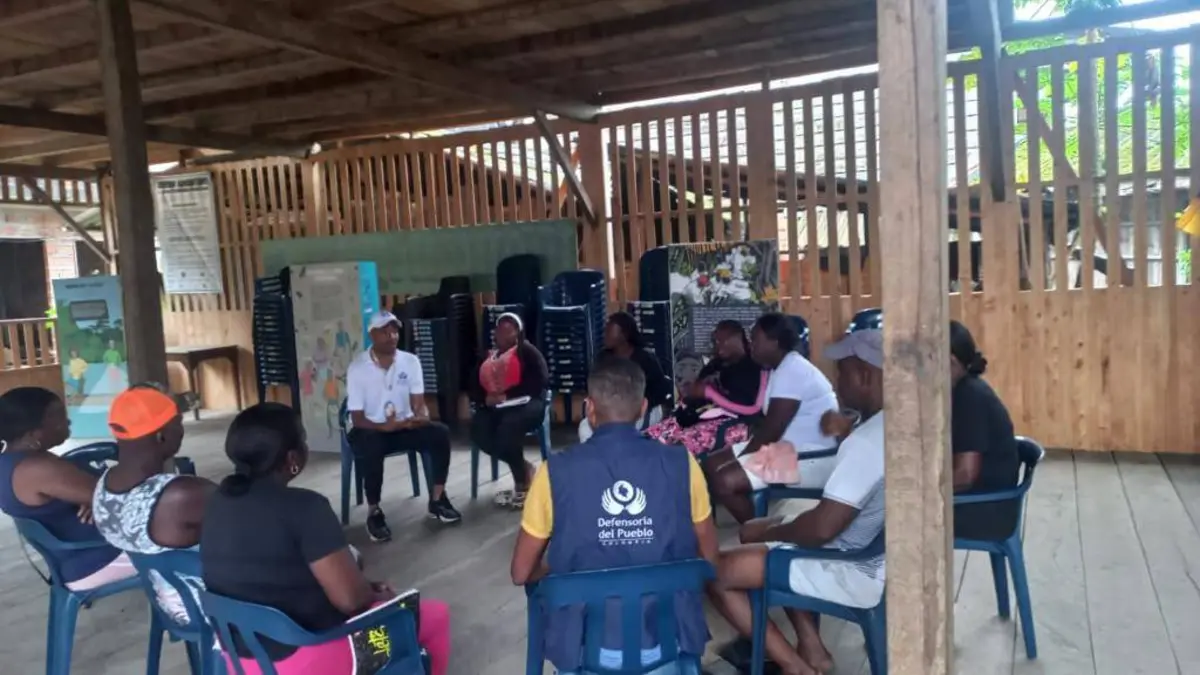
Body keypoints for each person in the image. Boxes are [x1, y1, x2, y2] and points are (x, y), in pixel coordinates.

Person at [202, 403, 451, 675]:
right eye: (303, 438)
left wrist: (363, 587)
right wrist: (374, 594)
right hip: (309, 658)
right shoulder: (305, 507)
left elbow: (273, 574)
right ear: (292, 458)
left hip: (241, 660)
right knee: (432, 616)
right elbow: (351, 601)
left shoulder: (216, 501)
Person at [511, 356, 718, 675]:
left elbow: (521, 572)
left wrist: (557, 566)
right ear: (643, 408)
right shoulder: (683, 464)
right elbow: (710, 559)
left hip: (584, 653)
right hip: (667, 646)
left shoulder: (554, 472)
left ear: (589, 408)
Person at [708, 329, 886, 675]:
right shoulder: (889, 427)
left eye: (842, 374)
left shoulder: (867, 444)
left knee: (714, 573)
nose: (837, 384)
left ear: (865, 376)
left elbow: (820, 529)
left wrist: (776, 534)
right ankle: (812, 647)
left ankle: (795, 667)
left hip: (850, 566)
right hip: (872, 551)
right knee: (757, 530)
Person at [92, 384, 214, 622]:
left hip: (170, 608)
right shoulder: (182, 495)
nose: (182, 431)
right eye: (179, 423)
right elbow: (251, 522)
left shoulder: (103, 487)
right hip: (218, 612)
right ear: (161, 435)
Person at [703, 313, 840, 523]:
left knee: (725, 481)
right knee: (712, 463)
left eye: (756, 340)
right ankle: (758, 522)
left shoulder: (793, 371)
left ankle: (760, 531)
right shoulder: (782, 367)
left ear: (774, 342)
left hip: (808, 458)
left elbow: (772, 431)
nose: (751, 345)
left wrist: (742, 458)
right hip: (788, 448)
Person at [0, 387, 136, 591]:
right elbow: (120, 497)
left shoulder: (11, 461)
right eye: (59, 416)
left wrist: (93, 499)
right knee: (178, 538)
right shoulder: (37, 468)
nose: (68, 421)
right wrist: (98, 498)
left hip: (78, 555)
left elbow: (101, 494)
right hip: (96, 559)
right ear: (33, 433)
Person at [346, 310, 461, 541]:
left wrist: (421, 416)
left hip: (403, 426)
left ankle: (438, 499)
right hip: (370, 429)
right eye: (385, 332)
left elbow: (418, 403)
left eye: (394, 331)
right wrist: (382, 427)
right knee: (372, 445)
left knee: (440, 433)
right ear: (372, 334)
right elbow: (357, 418)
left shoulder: (410, 361)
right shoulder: (357, 367)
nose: (392, 336)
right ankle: (374, 511)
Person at [645, 320, 767, 456]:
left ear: (735, 339)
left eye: (720, 341)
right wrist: (692, 394)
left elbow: (749, 407)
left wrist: (709, 394)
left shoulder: (751, 367)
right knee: (649, 439)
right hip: (696, 417)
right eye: (715, 341)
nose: (716, 345)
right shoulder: (715, 365)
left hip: (731, 424)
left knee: (676, 448)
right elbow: (696, 393)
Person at [470, 312, 550, 509]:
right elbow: (474, 386)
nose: (503, 335)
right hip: (497, 406)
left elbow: (539, 381)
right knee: (478, 429)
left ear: (518, 333)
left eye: (509, 330)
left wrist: (508, 395)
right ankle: (524, 467)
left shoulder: (528, 352)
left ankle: (521, 482)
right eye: (500, 330)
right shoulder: (487, 357)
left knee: (509, 426)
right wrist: (485, 399)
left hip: (528, 403)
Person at [949, 320, 1020, 541]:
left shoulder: (969, 396)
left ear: (950, 362)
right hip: (985, 502)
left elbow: (965, 476)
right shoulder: (965, 388)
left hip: (985, 511)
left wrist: (917, 491)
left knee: (893, 516)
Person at [578, 312, 671, 442]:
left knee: (625, 432)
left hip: (640, 411)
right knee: (585, 428)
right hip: (609, 412)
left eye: (609, 331)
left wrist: (633, 406)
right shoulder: (603, 358)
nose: (605, 335)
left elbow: (659, 391)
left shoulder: (645, 359)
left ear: (624, 335)